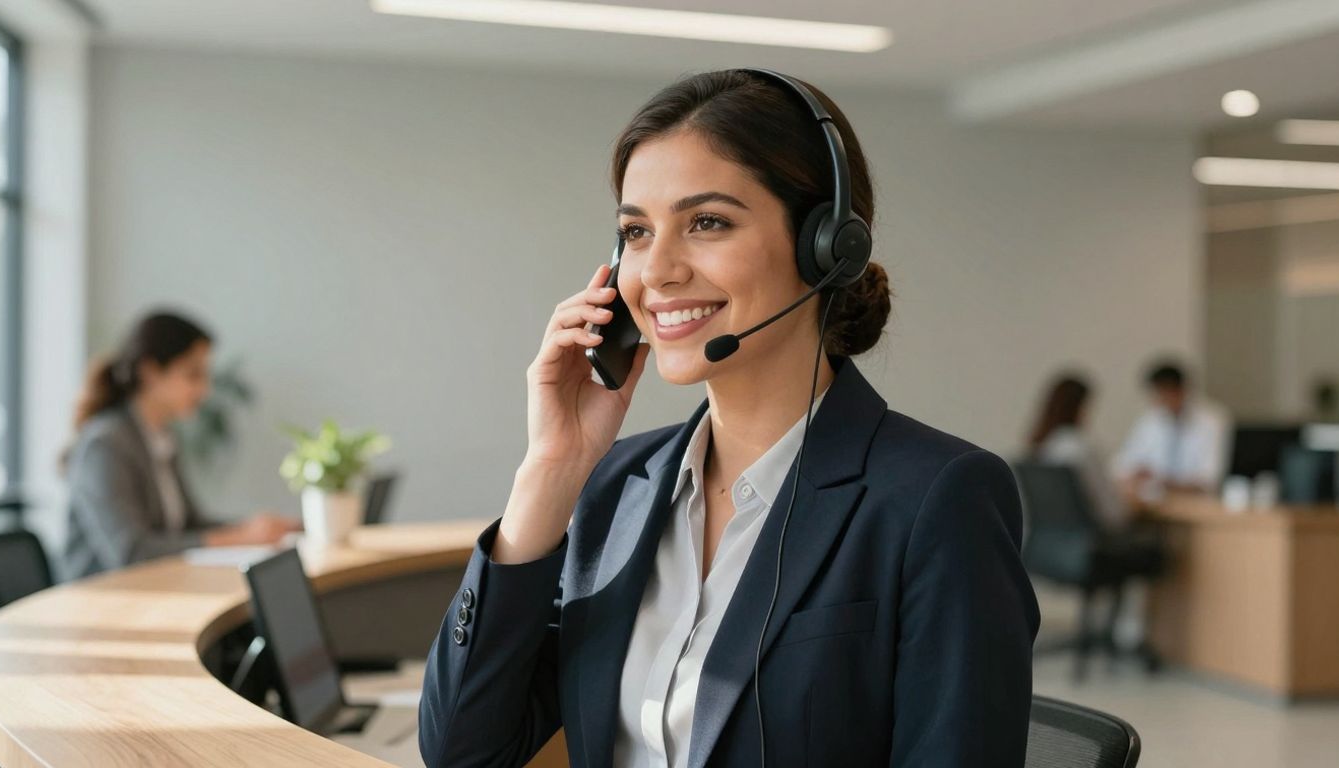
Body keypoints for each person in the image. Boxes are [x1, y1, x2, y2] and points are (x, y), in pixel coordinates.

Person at [419, 70, 1039, 768]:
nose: (657, 271)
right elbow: (460, 753)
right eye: (636, 231)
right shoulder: (615, 484)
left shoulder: (937, 498)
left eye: (707, 222)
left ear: (826, 245)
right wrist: (549, 473)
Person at [61, 311, 299, 580]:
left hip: (153, 589)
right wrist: (239, 537)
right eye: (193, 375)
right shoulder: (105, 444)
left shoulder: (160, 437)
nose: (204, 390)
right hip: (104, 602)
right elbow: (132, 551)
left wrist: (255, 530)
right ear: (150, 372)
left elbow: (189, 524)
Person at [1114, 359, 1230, 499]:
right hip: (1156, 502)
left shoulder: (1213, 421)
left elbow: (1210, 480)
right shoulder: (1150, 420)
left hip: (1197, 503)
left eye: (1165, 394)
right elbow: (1121, 466)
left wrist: (1167, 483)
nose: (1160, 400)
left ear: (1182, 390)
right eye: (1157, 395)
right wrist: (1135, 473)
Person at [1027, 373, 1128, 530]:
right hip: (1096, 543)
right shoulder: (1082, 448)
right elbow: (1113, 515)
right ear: (1080, 407)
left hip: (1056, 541)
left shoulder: (1044, 446)